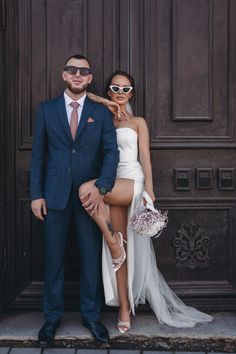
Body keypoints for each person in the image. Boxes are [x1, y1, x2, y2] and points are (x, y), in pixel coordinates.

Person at [79, 70, 213, 333]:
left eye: (125, 89)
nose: (120, 93)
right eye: (115, 89)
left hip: (132, 181)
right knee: (121, 252)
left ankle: (110, 241)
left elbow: (145, 157)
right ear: (108, 92)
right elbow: (84, 94)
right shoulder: (102, 119)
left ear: (132, 93)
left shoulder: (138, 122)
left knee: (86, 190)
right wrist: (107, 105)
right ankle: (124, 308)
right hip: (111, 181)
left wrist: (149, 190)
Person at [30, 54, 119, 348]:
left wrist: (103, 187)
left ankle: (92, 318)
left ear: (90, 78)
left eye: (84, 71)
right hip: (53, 196)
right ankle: (52, 318)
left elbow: (111, 154)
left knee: (90, 258)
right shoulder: (46, 110)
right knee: (53, 261)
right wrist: (36, 194)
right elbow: (38, 155)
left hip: (89, 199)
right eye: (72, 70)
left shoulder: (101, 113)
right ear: (63, 75)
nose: (78, 74)